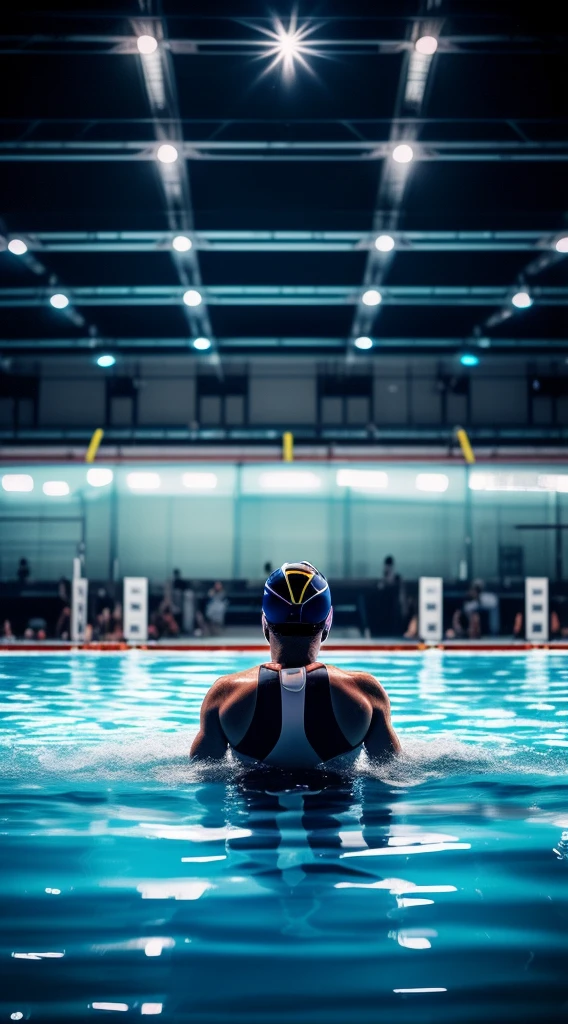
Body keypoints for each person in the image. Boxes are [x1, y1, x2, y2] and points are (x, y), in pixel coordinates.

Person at [190, 561, 400, 766]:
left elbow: (200, 778)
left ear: (265, 625)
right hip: (333, 800)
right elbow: (394, 777)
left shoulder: (225, 698)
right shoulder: (365, 696)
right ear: (327, 625)